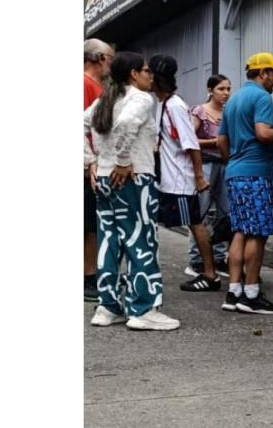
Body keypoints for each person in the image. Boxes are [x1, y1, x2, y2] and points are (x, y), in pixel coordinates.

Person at [84, 51, 180, 331]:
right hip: (134, 178)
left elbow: (79, 124)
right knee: (141, 240)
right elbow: (126, 124)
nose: (151, 76)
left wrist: (91, 161)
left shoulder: (107, 98)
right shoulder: (140, 98)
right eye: (147, 71)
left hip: (104, 179)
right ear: (133, 74)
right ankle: (143, 308)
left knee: (109, 241)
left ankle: (108, 306)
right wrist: (123, 160)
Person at [218, 52, 273, 314]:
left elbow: (221, 140)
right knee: (257, 233)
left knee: (240, 231)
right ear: (262, 73)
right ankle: (251, 294)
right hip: (256, 173)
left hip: (235, 172)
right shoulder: (262, 97)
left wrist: (234, 160)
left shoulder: (233, 100)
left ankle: (234, 292)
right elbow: (263, 132)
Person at [149, 54, 219, 293]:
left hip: (180, 181)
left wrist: (198, 177)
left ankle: (210, 275)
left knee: (195, 223)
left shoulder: (176, 106)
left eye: (148, 73)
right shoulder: (163, 104)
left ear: (156, 77)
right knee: (190, 222)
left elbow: (191, 144)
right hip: (167, 180)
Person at [185, 74, 232, 278]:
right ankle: (197, 260)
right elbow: (189, 139)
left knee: (224, 212)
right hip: (204, 164)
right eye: (221, 89)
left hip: (225, 164)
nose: (226, 93)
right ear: (210, 91)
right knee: (200, 212)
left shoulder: (229, 112)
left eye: (228, 89)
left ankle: (219, 258)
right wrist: (214, 142)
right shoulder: (200, 111)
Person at [84, 38, 113, 301]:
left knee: (93, 223)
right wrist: (88, 162)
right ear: (100, 58)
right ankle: (89, 276)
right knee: (90, 225)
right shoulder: (85, 84)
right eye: (110, 58)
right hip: (88, 165)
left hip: (94, 163)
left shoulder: (97, 87)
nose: (112, 64)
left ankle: (95, 272)